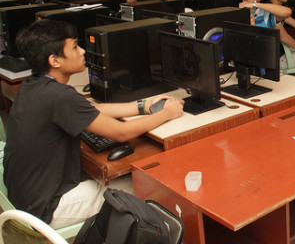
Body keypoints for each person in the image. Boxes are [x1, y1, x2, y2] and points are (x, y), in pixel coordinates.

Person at [3, 19, 184, 228]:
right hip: (46, 208)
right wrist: (166, 114)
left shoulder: (34, 85)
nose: (82, 52)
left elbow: (91, 110)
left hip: (22, 197)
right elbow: (121, 133)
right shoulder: (59, 96)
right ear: (55, 60)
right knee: (145, 184)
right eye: (74, 47)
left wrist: (142, 106)